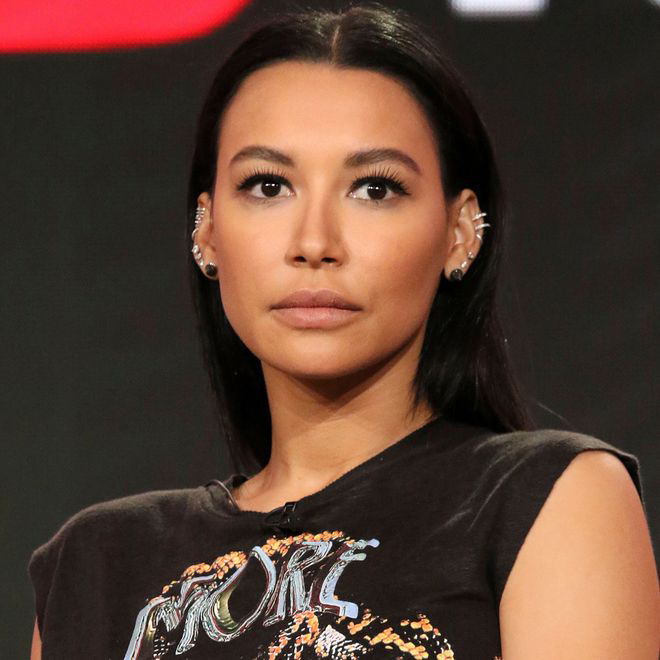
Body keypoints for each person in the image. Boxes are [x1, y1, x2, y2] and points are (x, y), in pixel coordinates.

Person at [28, 3, 659, 658]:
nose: (315, 242)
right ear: (207, 230)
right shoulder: (96, 564)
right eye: (267, 186)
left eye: (375, 189)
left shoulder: (546, 501)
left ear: (460, 233)